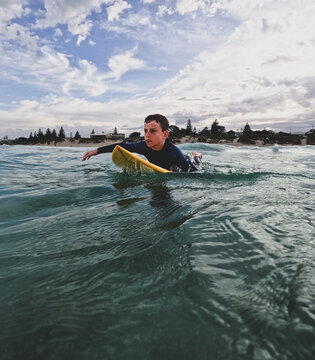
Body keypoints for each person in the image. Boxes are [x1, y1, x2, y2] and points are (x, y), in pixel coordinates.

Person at [82, 114, 202, 172]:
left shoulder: (174, 153)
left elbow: (195, 174)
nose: (147, 135)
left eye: (153, 131)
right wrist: (96, 151)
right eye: (145, 131)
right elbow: (122, 146)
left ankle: (196, 157)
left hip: (177, 165)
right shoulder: (144, 146)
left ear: (165, 134)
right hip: (160, 167)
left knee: (194, 164)